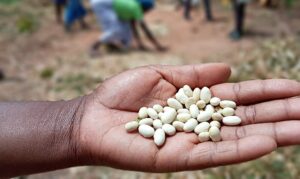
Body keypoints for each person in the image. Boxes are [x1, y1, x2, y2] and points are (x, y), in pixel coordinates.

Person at [1, 63, 300, 178]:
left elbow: (192, 116)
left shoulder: (198, 112)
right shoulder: (175, 115)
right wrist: (75, 124)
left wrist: (75, 122)